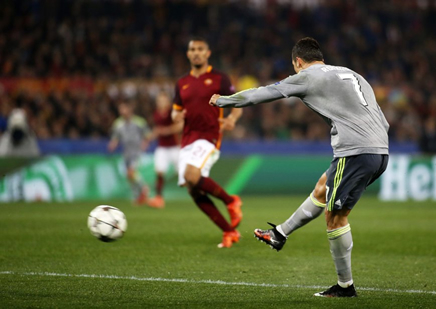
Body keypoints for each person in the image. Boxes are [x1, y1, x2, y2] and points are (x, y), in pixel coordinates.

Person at [210, 37, 389, 297]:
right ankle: (280, 234)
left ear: (298, 62)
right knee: (321, 189)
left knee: (335, 217)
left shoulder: (307, 75)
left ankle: (345, 287)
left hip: (355, 151)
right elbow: (380, 117)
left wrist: (224, 101)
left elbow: (264, 93)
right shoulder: (352, 74)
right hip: (380, 149)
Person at [172, 37, 244, 248]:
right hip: (187, 139)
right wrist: (175, 116)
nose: (196, 53)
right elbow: (176, 111)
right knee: (193, 189)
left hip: (210, 135)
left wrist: (231, 118)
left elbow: (239, 100)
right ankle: (229, 232)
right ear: (188, 54)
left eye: (200, 49)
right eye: (192, 49)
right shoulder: (182, 83)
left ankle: (231, 201)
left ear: (207, 53)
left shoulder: (219, 78)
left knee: (191, 175)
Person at [108, 102, 152, 205]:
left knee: (131, 172)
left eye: (124, 109)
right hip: (126, 151)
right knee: (129, 176)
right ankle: (138, 197)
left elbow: (148, 134)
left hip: (137, 151)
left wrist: (145, 143)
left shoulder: (139, 122)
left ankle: (144, 188)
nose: (122, 112)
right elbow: (115, 137)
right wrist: (113, 144)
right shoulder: (118, 123)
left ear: (129, 110)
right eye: (120, 109)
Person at [147, 92, 183, 209]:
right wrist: (148, 139)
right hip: (162, 147)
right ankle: (159, 198)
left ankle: (199, 194)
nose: (160, 103)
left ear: (168, 102)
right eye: (159, 100)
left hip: (174, 147)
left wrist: (166, 131)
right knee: (159, 172)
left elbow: (180, 126)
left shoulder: (173, 112)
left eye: (163, 100)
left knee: (184, 175)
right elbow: (157, 130)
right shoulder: (156, 114)